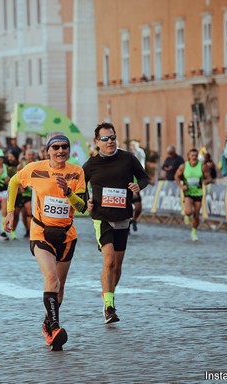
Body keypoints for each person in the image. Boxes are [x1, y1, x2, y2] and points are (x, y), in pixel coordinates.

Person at [3, 134, 86, 350]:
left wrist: (68, 192)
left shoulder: (77, 172)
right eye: (56, 147)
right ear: (47, 150)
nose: (60, 151)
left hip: (67, 235)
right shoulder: (34, 169)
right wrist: (10, 213)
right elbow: (13, 181)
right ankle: (56, 327)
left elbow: (82, 207)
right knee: (51, 278)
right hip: (40, 232)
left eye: (64, 147)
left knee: (59, 288)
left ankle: (47, 324)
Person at [83, 123, 149, 324]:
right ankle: (109, 307)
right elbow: (79, 187)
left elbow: (145, 177)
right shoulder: (91, 164)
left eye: (112, 137)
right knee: (109, 260)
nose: (110, 141)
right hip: (101, 217)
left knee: (117, 266)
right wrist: (86, 200)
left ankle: (109, 293)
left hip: (123, 216)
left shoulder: (128, 158)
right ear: (97, 142)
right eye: (105, 139)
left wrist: (139, 185)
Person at [175, 148, 213, 242]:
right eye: (192, 155)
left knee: (196, 214)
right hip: (188, 192)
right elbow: (176, 176)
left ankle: (194, 232)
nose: (194, 157)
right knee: (188, 211)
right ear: (189, 156)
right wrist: (181, 186)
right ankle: (187, 215)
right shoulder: (184, 166)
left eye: (196, 155)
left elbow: (209, 178)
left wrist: (205, 181)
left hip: (198, 192)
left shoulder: (202, 166)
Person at [129, 141, 146, 231]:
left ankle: (134, 220)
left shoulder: (139, 153)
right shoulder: (127, 159)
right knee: (129, 208)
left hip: (136, 187)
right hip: (127, 189)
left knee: (138, 208)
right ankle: (127, 225)